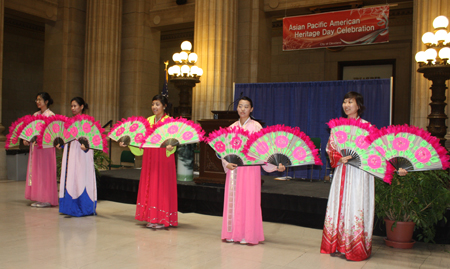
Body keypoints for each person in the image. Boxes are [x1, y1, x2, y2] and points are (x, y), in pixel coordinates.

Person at [320, 91, 407, 261]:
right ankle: (338, 245)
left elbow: (379, 153)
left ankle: (355, 247)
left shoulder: (368, 127)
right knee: (339, 206)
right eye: (345, 102)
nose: (346, 105)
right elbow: (330, 149)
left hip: (360, 174)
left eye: (350, 102)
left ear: (358, 106)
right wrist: (339, 157)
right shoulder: (338, 127)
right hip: (342, 172)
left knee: (356, 205)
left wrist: (396, 167)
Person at [221, 96, 285, 245]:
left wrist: (276, 165)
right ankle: (232, 232)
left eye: (246, 106)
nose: (242, 109)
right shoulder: (231, 128)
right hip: (234, 170)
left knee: (248, 200)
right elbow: (223, 150)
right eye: (240, 106)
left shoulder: (256, 127)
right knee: (233, 201)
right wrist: (226, 163)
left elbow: (265, 151)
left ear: (251, 109)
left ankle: (246, 234)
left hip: (250, 171)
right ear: (236, 108)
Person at [122, 94, 177, 229]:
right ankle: (151, 216)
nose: (154, 107)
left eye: (157, 104)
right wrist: (128, 143)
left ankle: (162, 218)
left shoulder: (170, 121)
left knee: (162, 186)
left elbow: (175, 140)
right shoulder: (148, 121)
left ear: (164, 106)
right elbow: (140, 141)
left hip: (163, 157)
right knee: (150, 184)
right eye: (153, 104)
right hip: (150, 157)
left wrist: (171, 146)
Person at [57, 97, 97, 216]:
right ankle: (69, 207)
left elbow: (92, 140)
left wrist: (87, 146)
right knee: (70, 178)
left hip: (82, 154)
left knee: (81, 178)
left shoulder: (87, 122)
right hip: (71, 153)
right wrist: (62, 145)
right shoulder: (69, 121)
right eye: (71, 106)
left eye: (75, 106)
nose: (73, 108)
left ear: (82, 106)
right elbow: (66, 138)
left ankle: (83, 207)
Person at [24, 92, 58, 208]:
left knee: (45, 171)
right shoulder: (35, 114)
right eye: (36, 100)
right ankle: (39, 197)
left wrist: (43, 139)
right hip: (36, 148)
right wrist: (27, 139)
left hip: (46, 148)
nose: (38, 102)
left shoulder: (50, 115)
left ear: (46, 101)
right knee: (36, 171)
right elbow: (30, 131)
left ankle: (47, 198)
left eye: (40, 100)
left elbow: (53, 134)